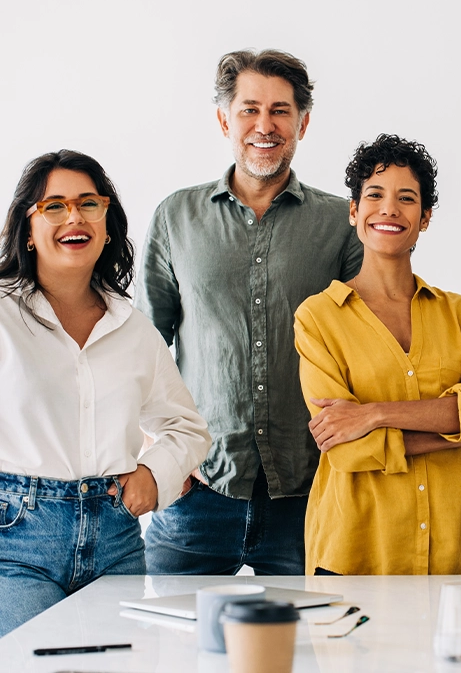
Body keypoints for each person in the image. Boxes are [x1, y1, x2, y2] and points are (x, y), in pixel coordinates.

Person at [135, 49, 363, 576]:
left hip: (309, 491)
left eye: (281, 111)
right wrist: (157, 451)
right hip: (197, 491)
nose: (265, 125)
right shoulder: (177, 216)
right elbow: (143, 348)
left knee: (310, 653)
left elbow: (366, 342)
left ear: (303, 123)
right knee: (175, 652)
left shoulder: (341, 222)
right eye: (249, 110)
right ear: (224, 120)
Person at [0, 150, 210, 637]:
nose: (73, 216)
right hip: (16, 542)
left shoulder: (133, 328)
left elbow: (187, 428)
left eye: (88, 204)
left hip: (115, 541)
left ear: (107, 223)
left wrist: (153, 476)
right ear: (27, 230)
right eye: (53, 206)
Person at [293, 134, 461, 575]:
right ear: (354, 211)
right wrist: (455, 422)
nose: (389, 208)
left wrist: (371, 415)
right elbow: (345, 450)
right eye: (375, 195)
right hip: (357, 551)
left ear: (424, 218)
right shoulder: (318, 318)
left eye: (406, 199)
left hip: (455, 552)